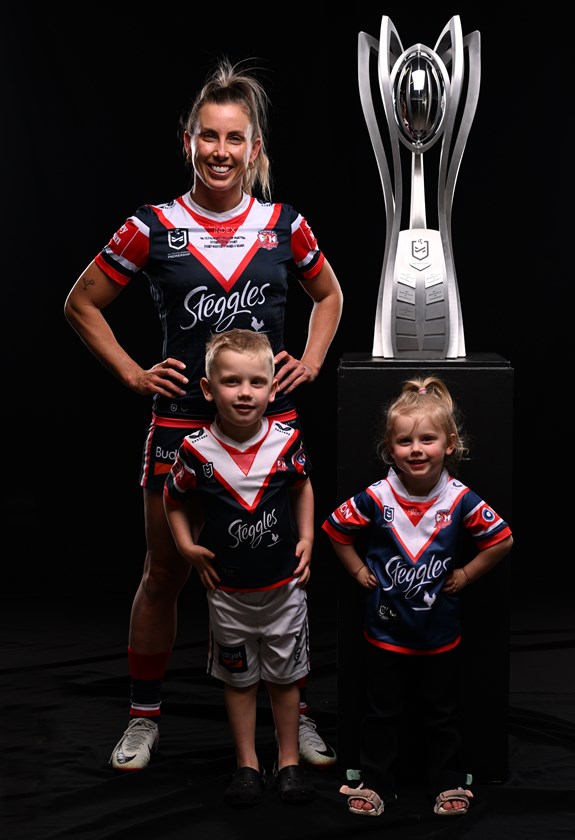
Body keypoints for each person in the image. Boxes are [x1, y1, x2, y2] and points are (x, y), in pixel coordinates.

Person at [63, 56, 342, 773]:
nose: (221, 151)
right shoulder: (152, 227)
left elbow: (329, 296)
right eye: (208, 136)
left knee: (281, 573)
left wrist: (310, 361)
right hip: (183, 425)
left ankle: (296, 712)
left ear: (255, 148)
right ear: (188, 141)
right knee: (164, 573)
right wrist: (132, 372)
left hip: (269, 428)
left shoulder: (284, 226)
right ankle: (143, 716)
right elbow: (81, 302)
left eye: (234, 138)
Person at [322, 375, 513, 818]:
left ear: (449, 445)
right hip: (385, 633)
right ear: (390, 450)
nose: (416, 449)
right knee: (381, 713)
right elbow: (335, 530)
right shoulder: (378, 496)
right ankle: (375, 781)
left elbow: (502, 540)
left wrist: (465, 573)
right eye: (404, 441)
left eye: (427, 439)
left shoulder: (459, 499)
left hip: (440, 634)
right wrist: (356, 569)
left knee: (441, 714)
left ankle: (447, 781)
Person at [164, 328, 316, 806]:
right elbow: (173, 500)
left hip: (283, 588)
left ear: (272, 388)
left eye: (256, 382)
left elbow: (302, 486)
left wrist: (307, 537)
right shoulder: (195, 450)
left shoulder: (286, 441)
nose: (245, 393)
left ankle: (288, 762)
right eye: (231, 382)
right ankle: (247, 764)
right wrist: (186, 547)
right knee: (240, 681)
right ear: (208, 389)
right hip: (228, 595)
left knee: (285, 681)